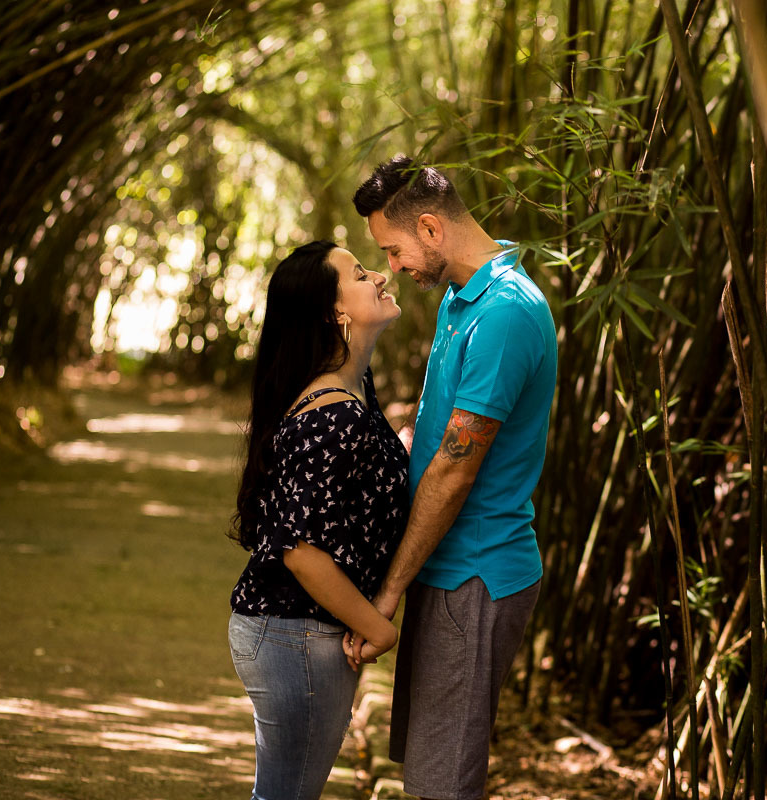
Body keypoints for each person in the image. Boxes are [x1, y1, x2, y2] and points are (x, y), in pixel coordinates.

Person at [348, 157, 558, 799]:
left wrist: (386, 594)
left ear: (432, 229)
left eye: (393, 249)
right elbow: (447, 439)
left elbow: (454, 473)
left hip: (474, 574)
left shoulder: (505, 314)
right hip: (446, 568)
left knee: (441, 785)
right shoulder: (462, 299)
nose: (392, 268)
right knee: (427, 772)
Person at [227, 240, 410, 800]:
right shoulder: (333, 414)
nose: (378, 275)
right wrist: (378, 624)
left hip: (296, 633)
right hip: (295, 635)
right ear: (337, 312)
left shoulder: (350, 391)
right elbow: (300, 549)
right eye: (359, 273)